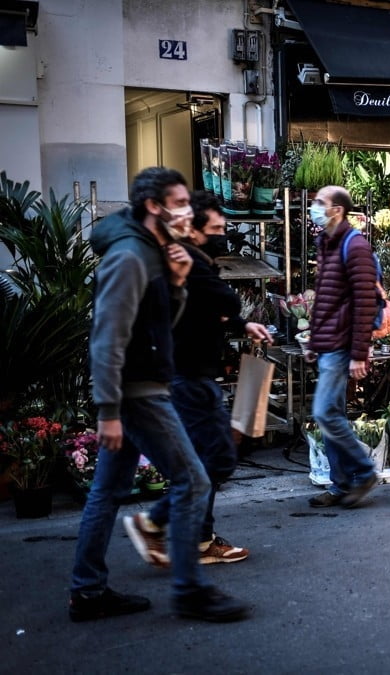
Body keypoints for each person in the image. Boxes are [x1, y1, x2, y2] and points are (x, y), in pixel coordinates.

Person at [70, 167, 249, 623]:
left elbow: (156, 330)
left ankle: (88, 592)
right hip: (138, 392)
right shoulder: (130, 257)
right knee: (195, 481)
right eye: (180, 202)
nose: (188, 211)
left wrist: (176, 282)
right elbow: (108, 337)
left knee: (107, 491)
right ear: (154, 206)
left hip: (144, 385)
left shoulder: (153, 253)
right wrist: (108, 410)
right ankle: (190, 591)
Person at [123, 191, 273, 567]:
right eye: (217, 228)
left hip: (186, 375)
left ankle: (199, 539)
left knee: (206, 458)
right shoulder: (190, 261)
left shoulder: (188, 261)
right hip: (189, 378)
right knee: (216, 458)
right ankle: (158, 522)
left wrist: (241, 324)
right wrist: (233, 310)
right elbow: (225, 301)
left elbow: (210, 312)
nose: (224, 235)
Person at [305, 185, 381, 508]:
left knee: (324, 413)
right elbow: (326, 300)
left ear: (337, 210)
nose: (314, 207)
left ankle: (364, 472)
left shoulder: (355, 245)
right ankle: (340, 485)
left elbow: (365, 300)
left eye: (320, 203)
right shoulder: (327, 243)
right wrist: (313, 340)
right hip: (328, 343)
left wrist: (359, 353)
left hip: (342, 345)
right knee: (331, 414)